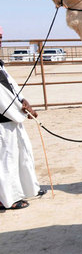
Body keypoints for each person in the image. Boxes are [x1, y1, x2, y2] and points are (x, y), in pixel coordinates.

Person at [0, 59, 42, 210]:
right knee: (5, 160)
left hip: (13, 120)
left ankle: (27, 189)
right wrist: (22, 110)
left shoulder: (1, 67)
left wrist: (24, 101)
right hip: (3, 122)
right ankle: (5, 199)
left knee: (23, 154)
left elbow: (12, 89)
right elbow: (1, 99)